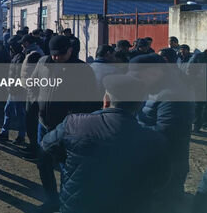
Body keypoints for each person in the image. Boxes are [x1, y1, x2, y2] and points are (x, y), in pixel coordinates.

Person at [41, 74, 169, 213]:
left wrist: (67, 159)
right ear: (139, 106)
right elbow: (161, 179)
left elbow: (45, 149)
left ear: (106, 100)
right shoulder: (154, 140)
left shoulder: (74, 123)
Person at [33, 35, 101, 212]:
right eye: (54, 54)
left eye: (61, 54)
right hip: (44, 124)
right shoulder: (42, 63)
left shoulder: (83, 70)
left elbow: (92, 101)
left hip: (68, 128)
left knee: (67, 167)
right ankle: (52, 199)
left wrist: (76, 120)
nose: (57, 58)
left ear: (70, 50)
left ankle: (66, 202)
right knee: (43, 163)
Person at [131, 54, 195, 211]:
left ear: (155, 72)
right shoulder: (154, 88)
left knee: (164, 204)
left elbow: (167, 132)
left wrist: (129, 131)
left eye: (138, 75)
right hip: (154, 160)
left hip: (168, 165)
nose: (136, 80)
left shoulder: (173, 95)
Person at [0, 35, 42, 145]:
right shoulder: (21, 54)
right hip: (14, 88)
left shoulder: (28, 55)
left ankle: (20, 136)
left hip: (19, 89)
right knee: (9, 110)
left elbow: (24, 74)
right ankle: (5, 133)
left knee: (19, 113)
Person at [188, 45, 207, 133]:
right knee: (198, 106)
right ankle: (196, 126)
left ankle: (205, 124)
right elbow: (190, 69)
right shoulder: (198, 56)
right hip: (200, 85)